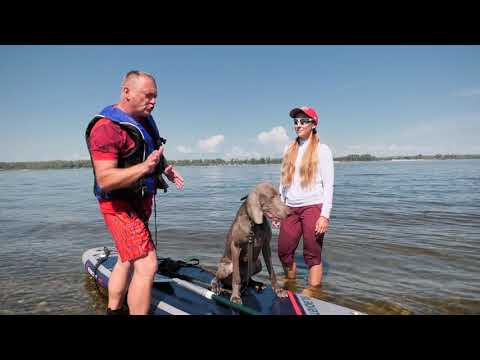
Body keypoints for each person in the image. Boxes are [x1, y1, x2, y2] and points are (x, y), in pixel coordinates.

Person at [85, 70, 184, 315]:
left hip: (140, 201)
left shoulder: (145, 120)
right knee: (147, 265)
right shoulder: (106, 128)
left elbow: (150, 150)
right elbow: (105, 179)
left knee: (126, 258)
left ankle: (114, 310)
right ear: (126, 92)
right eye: (148, 95)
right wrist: (145, 167)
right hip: (118, 205)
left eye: (156, 96)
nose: (154, 101)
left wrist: (166, 168)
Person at [273, 106, 334, 292]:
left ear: (313, 124)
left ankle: (313, 295)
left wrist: (325, 215)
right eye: (295, 122)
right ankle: (291, 284)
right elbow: (283, 182)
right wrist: (278, 210)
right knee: (284, 251)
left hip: (313, 207)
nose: (298, 125)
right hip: (290, 208)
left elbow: (329, 185)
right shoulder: (288, 149)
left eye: (303, 121)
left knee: (312, 255)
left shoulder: (322, 150)